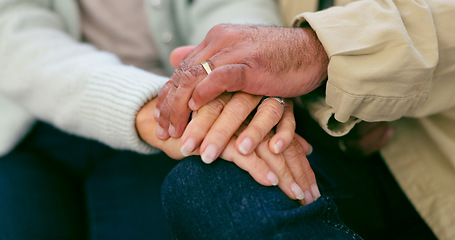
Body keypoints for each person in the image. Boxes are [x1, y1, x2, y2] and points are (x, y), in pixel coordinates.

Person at [0, 0, 320, 239]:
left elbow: (235, 8)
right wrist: (155, 108)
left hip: (180, 119)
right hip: (28, 122)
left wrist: (235, 83)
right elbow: (13, 35)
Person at [158, 0, 455, 239]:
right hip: (322, 142)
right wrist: (272, 93)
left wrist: (317, 50)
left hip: (439, 158)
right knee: (213, 184)